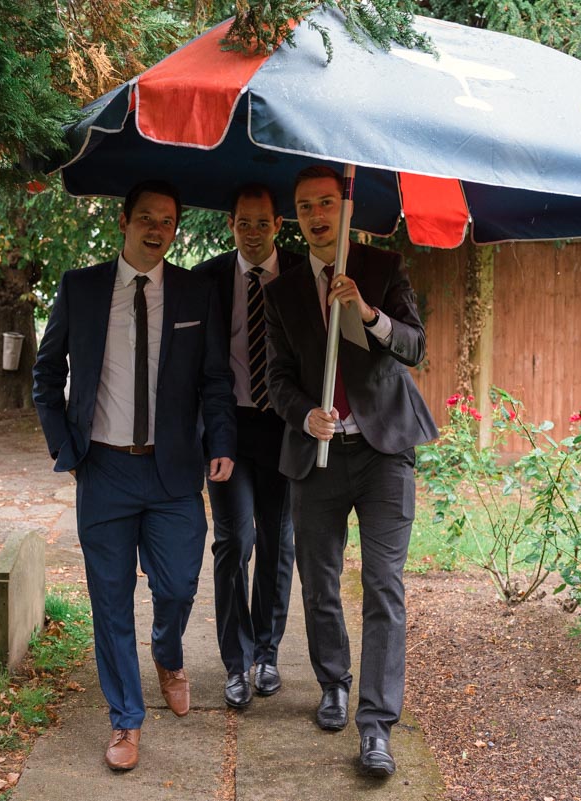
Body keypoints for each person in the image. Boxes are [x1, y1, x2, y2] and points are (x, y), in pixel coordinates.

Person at [32, 179, 237, 772]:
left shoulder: (196, 293)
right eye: (146, 217)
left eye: (167, 221)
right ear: (124, 220)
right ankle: (126, 718)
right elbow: (47, 376)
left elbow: (214, 381)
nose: (157, 229)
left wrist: (220, 441)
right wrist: (65, 447)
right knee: (111, 601)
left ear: (176, 228)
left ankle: (168, 655)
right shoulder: (82, 289)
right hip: (104, 472)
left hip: (173, 473)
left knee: (175, 586)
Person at [262, 165, 438, 778]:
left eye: (327, 204)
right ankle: (333, 681)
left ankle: (376, 725)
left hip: (385, 449)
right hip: (320, 455)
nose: (317, 215)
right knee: (319, 580)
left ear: (345, 208)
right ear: (295, 216)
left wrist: (366, 313)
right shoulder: (281, 292)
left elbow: (415, 346)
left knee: (385, 585)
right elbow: (276, 379)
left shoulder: (382, 269)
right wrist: (304, 413)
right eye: (305, 206)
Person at [192, 184, 302, 709]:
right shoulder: (209, 279)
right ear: (230, 224)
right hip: (229, 427)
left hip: (285, 426)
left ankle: (266, 653)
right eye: (243, 223)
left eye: (262, 223)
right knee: (235, 540)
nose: (252, 233)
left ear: (278, 225)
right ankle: (234, 663)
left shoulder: (304, 275)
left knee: (278, 542)